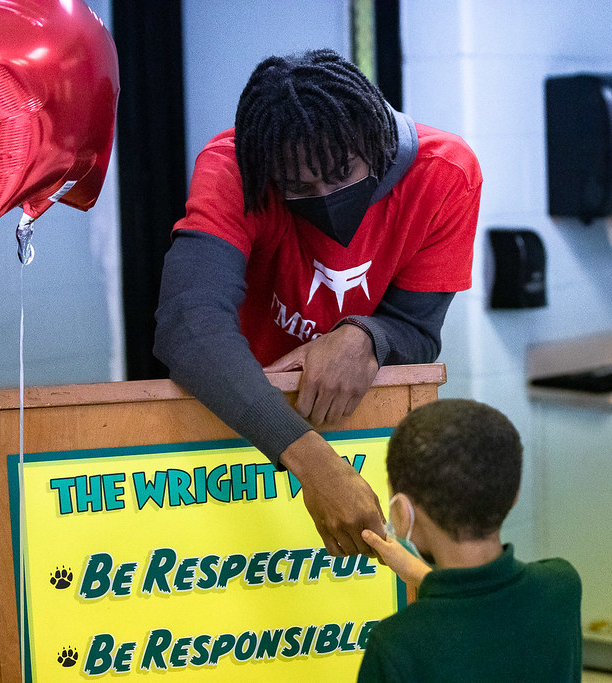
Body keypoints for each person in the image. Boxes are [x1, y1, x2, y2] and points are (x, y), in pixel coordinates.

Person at [153, 49, 481, 558]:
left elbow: (418, 333)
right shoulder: (236, 168)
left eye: (342, 173)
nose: (326, 195)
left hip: (365, 434)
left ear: (375, 142)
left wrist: (364, 337)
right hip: (239, 426)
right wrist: (314, 463)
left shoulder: (444, 175)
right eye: (299, 187)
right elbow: (188, 325)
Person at [358, 399, 583, 682]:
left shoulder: (395, 643)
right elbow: (482, 613)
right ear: (512, 495)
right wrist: (418, 572)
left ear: (402, 514)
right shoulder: (562, 586)